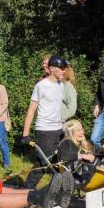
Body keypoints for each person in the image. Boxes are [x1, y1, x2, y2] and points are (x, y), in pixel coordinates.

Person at [22, 55, 66, 188]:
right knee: (42, 164)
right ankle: (25, 194)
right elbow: (31, 110)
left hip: (59, 129)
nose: (64, 71)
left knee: (60, 164)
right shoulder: (41, 86)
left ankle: (56, 191)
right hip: (45, 131)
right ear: (52, 69)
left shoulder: (61, 85)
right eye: (62, 68)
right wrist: (25, 134)